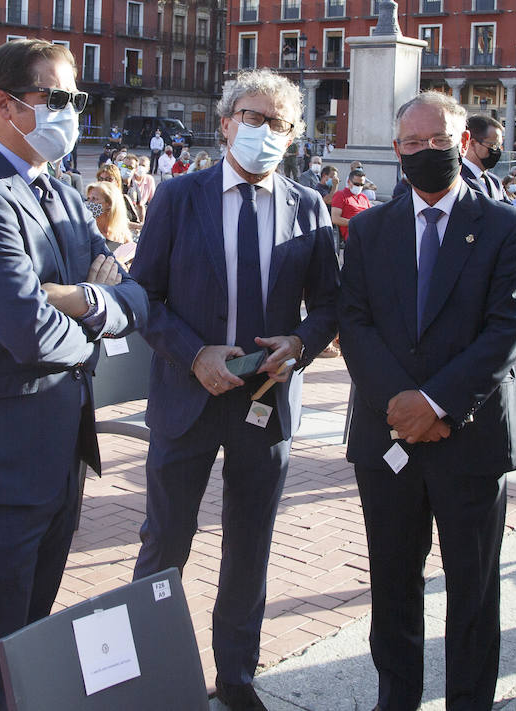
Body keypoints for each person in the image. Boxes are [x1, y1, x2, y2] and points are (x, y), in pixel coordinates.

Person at [0, 39, 147, 711]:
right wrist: (98, 320)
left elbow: (135, 295)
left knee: (28, 644)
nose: (74, 113)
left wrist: (84, 299)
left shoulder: (67, 197)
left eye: (79, 100)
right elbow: (31, 334)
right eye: (59, 99)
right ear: (7, 105)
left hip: (53, 461)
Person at [130, 70, 339, 711]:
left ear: (294, 134)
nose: (262, 131)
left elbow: (331, 304)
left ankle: (237, 675)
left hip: (264, 403)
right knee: (167, 538)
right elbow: (144, 296)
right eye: (251, 117)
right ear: (224, 124)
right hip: (187, 395)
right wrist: (194, 355)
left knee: (250, 542)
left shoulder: (309, 205)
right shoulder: (178, 197)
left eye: (277, 122)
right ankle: (146, 671)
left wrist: (301, 344)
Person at [340, 91, 516, 711]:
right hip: (388, 433)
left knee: (473, 589)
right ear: (397, 150)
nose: (429, 151)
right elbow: (356, 321)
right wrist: (401, 402)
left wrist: (437, 403)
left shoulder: (507, 224)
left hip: (470, 439)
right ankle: (395, 697)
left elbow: (508, 327)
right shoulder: (370, 229)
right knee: (392, 582)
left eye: (441, 140)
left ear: (466, 143)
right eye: (415, 143)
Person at [461, 113, 505, 200]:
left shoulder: (495, 181)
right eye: (494, 145)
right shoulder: (457, 180)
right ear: (472, 143)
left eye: (500, 146)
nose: (498, 150)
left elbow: (509, 209)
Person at [330, 168, 372, 242]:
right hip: (354, 231)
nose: (359, 187)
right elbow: (335, 219)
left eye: (361, 185)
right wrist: (356, 223)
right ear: (349, 182)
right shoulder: (340, 195)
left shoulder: (364, 197)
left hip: (367, 229)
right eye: (356, 184)